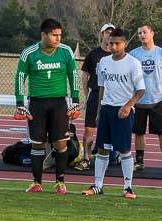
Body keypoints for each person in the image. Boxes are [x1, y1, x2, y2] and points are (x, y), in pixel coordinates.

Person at [14, 18, 80, 195]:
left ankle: (60, 182)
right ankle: (37, 182)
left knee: (60, 143)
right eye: (54, 35)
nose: (58, 38)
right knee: (37, 143)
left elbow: (73, 76)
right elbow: (20, 76)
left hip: (59, 103)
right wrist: (20, 103)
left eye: (60, 35)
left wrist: (75, 101)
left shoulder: (65, 52)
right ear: (43, 35)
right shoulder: (29, 53)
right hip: (37, 103)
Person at [83, 28, 145, 199]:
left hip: (123, 111)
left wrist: (128, 106)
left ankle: (128, 187)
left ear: (124, 44)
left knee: (124, 150)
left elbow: (141, 90)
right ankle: (98, 185)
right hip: (106, 110)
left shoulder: (133, 63)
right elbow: (101, 87)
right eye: (111, 43)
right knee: (102, 149)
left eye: (117, 43)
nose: (113, 46)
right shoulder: (103, 62)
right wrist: (99, 111)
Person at [129, 24, 162, 175]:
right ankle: (140, 161)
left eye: (144, 32)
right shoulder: (133, 54)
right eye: (139, 33)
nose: (142, 35)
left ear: (152, 33)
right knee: (139, 132)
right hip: (139, 101)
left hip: (158, 100)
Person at [75, 23, 113, 170]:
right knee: (89, 128)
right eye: (107, 32)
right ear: (102, 34)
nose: (109, 35)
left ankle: (108, 156)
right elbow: (85, 76)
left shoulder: (117, 55)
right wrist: (87, 94)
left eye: (112, 32)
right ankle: (86, 158)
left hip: (111, 97)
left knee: (110, 129)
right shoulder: (94, 54)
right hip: (95, 94)